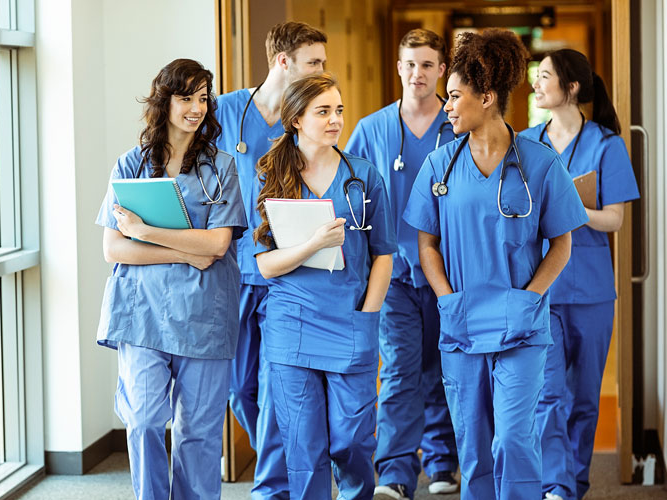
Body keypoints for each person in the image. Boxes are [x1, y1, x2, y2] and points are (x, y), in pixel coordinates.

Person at [402, 30, 589, 499]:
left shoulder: (541, 164)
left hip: (520, 326)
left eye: (455, 96)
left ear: (487, 98)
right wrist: (447, 299)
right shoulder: (440, 166)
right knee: (474, 446)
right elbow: (427, 245)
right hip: (462, 322)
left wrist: (530, 297)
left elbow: (562, 243)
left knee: (514, 439)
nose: (446, 106)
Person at [95, 59, 246, 500]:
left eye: (203, 98)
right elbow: (114, 248)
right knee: (142, 421)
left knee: (198, 435)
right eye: (186, 98)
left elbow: (217, 245)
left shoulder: (222, 168)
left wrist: (145, 232)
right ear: (165, 101)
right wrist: (182, 249)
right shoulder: (130, 164)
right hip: (142, 314)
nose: (196, 108)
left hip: (204, 315)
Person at [252, 73, 396, 499]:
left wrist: (369, 316)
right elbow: (265, 266)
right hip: (292, 323)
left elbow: (383, 253)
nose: (335, 120)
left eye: (339, 110)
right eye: (323, 111)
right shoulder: (269, 176)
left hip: (350, 320)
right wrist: (312, 244)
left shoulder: (363, 176)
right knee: (304, 445)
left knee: (352, 440)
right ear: (296, 119)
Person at [520, 49, 640, 500]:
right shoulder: (527, 144)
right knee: (547, 394)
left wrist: (574, 209)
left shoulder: (606, 145)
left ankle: (575, 482)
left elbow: (614, 220)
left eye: (545, 76)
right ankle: (557, 486)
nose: (536, 84)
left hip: (590, 291)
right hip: (542, 288)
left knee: (585, 399)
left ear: (571, 87)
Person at [214, 21, 327, 499]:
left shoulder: (307, 116)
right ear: (284, 62)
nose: (323, 71)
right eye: (314, 62)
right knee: (240, 389)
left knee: (278, 384)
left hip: (285, 271)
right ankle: (294, 457)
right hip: (233, 269)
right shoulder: (225, 111)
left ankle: (273, 486)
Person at [346, 28, 459, 499]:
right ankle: (393, 471)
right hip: (392, 274)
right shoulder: (372, 129)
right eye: (410, 64)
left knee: (443, 367)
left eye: (428, 65)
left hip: (448, 272)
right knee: (399, 370)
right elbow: (348, 191)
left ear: (442, 71)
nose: (418, 74)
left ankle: (442, 461)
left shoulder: (458, 126)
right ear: (398, 68)